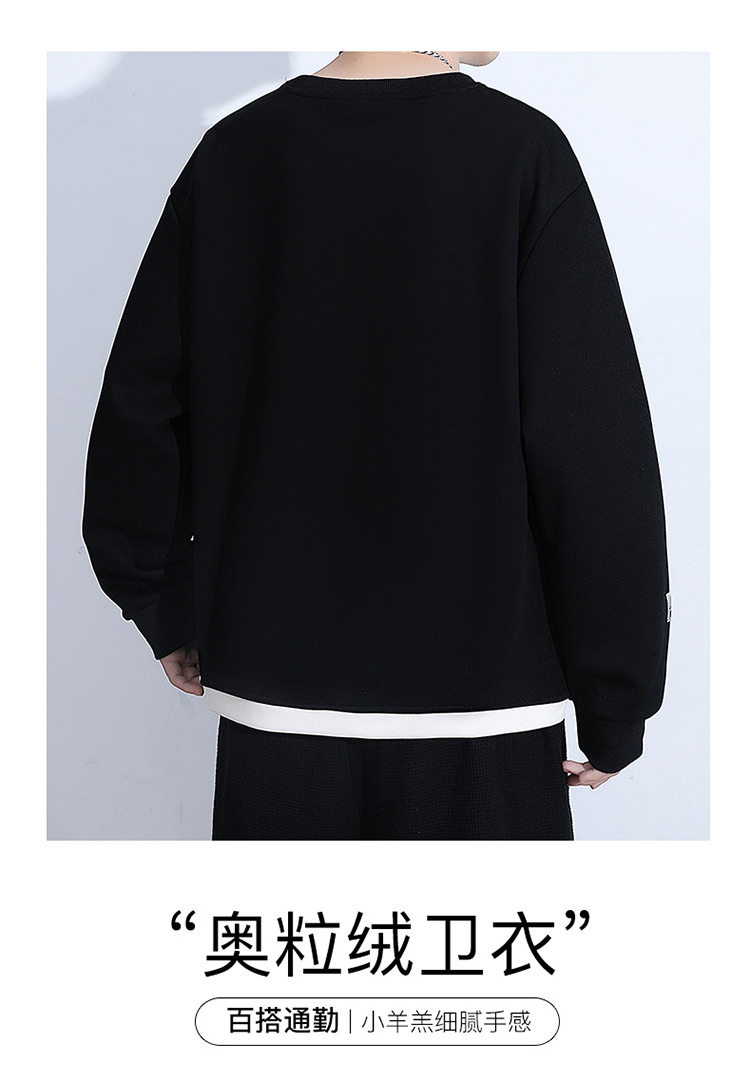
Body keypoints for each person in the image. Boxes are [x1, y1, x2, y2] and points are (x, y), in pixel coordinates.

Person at [82, 51, 671, 840]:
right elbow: (592, 441)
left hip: (277, 705)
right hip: (483, 710)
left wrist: (160, 598)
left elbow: (144, 404)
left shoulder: (236, 152)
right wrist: (617, 693)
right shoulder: (519, 150)